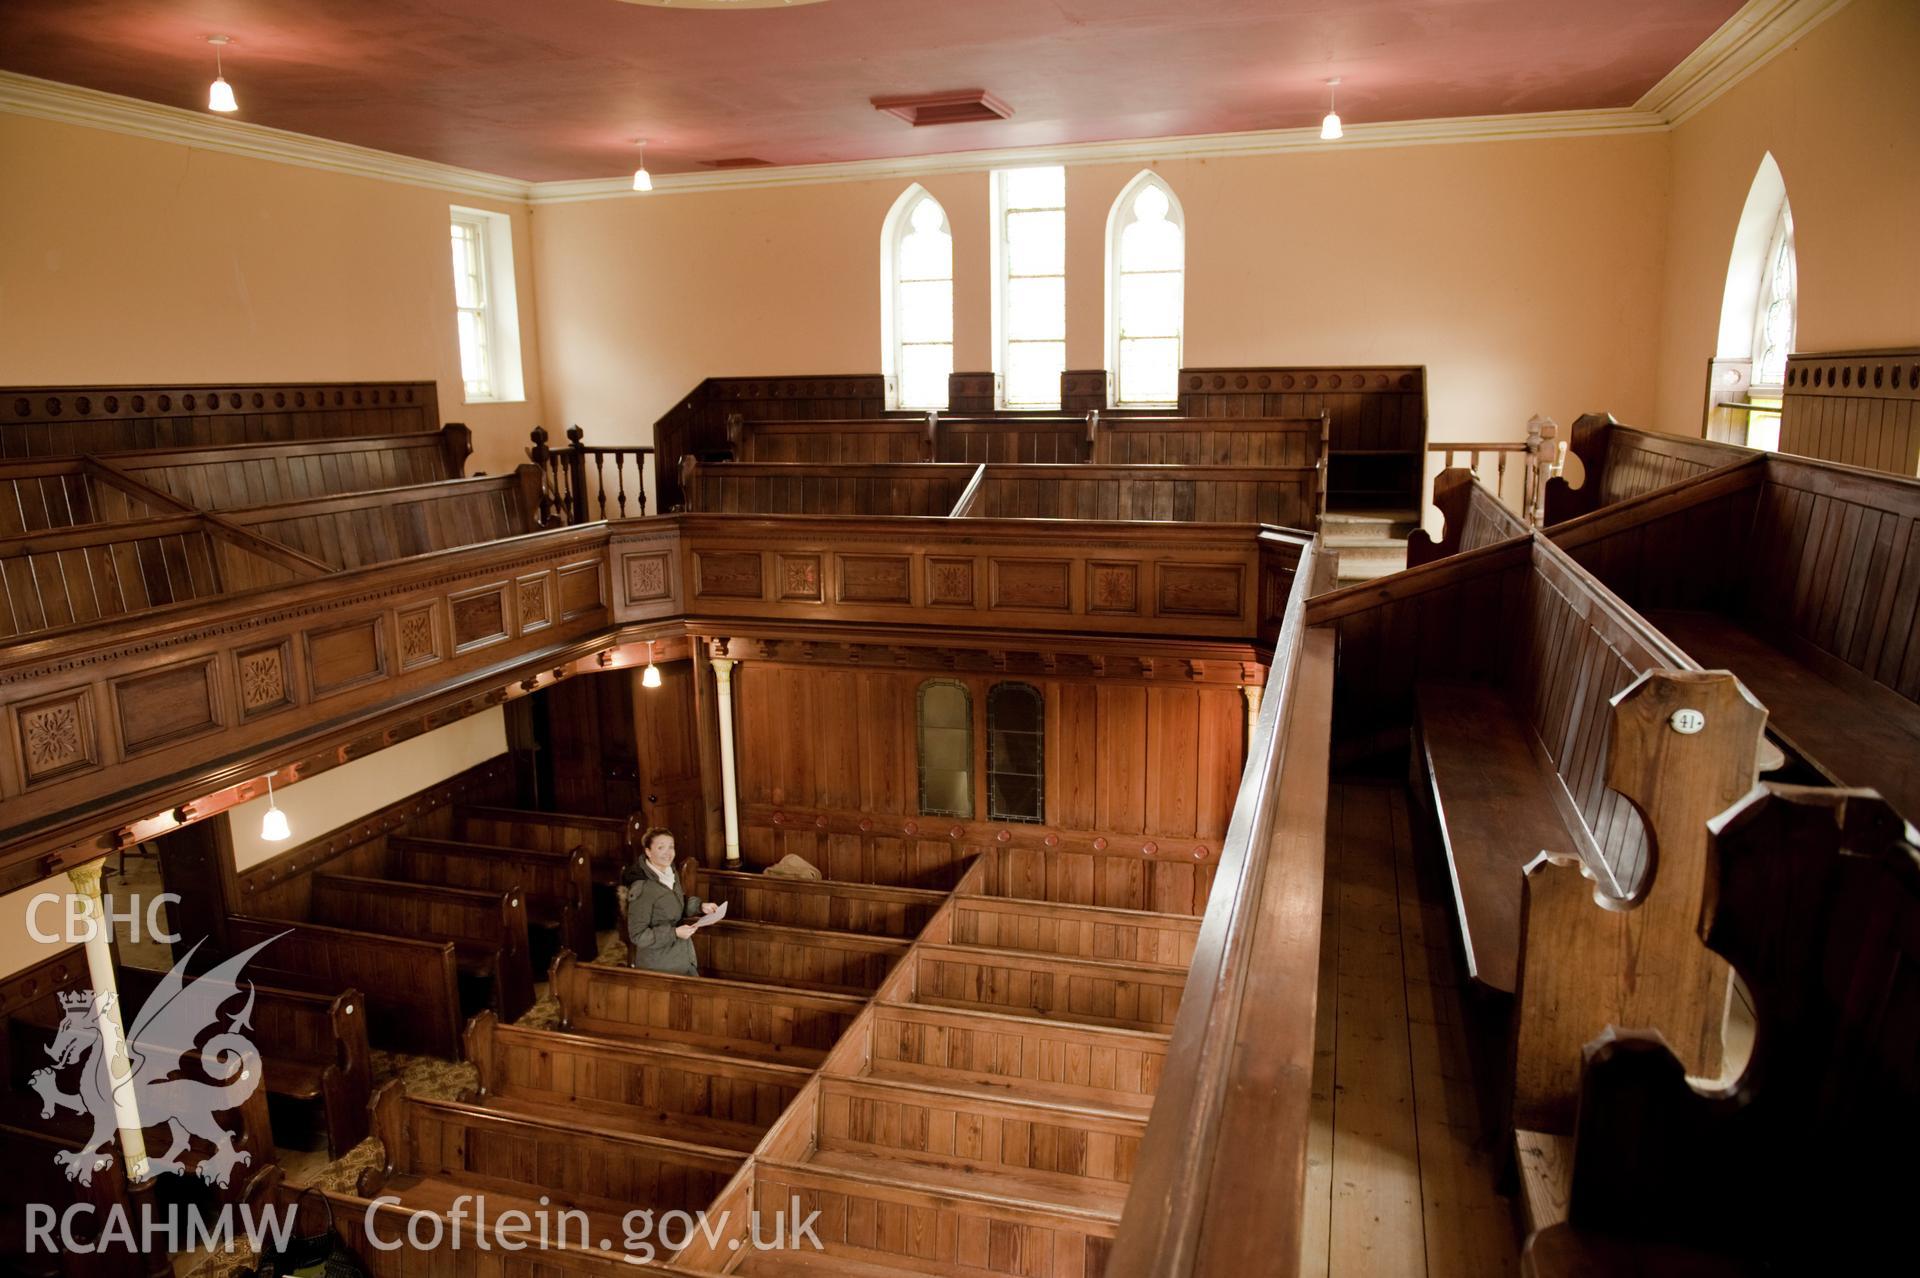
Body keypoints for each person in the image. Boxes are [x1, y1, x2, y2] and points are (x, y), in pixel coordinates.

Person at [622, 827, 717, 975]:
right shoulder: (642, 888)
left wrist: (700, 906)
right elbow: (638, 935)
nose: (668, 853)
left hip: (682, 954)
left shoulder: (670, 873)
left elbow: (676, 904)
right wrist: (674, 933)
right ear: (648, 851)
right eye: (661, 847)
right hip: (659, 965)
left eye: (671, 847)